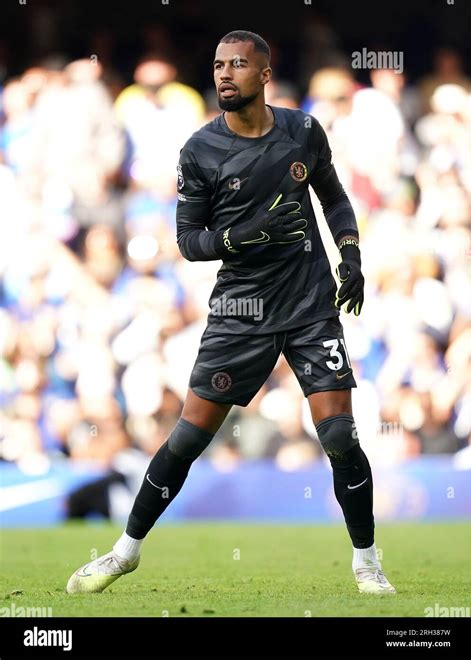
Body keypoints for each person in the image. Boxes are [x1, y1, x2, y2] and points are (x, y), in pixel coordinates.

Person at [66, 30, 395, 596]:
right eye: (218, 64)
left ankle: (367, 561)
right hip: (239, 311)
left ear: (264, 75)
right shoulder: (199, 150)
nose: (224, 74)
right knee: (190, 437)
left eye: (237, 65)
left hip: (310, 304)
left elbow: (334, 198)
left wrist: (350, 255)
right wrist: (250, 234)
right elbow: (189, 242)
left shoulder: (303, 131)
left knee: (339, 434)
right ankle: (124, 552)